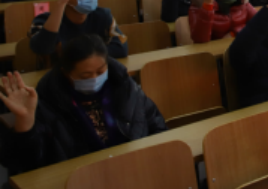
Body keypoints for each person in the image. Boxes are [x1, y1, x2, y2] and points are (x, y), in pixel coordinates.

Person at [0, 35, 167, 173]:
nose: (95, 78)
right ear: (66, 73)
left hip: (135, 168)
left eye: (101, 71)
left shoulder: (125, 88)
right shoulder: (49, 103)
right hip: (82, 181)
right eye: (85, 76)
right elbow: (21, 166)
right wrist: (25, 122)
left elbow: (157, 127)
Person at [30, 0, 128, 60]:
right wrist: (62, 2)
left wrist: (82, 55)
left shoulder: (103, 15)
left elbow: (122, 47)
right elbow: (42, 49)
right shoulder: (43, 21)